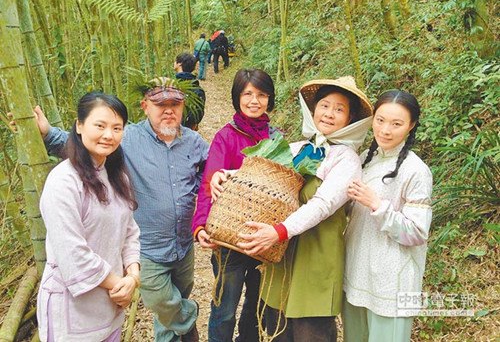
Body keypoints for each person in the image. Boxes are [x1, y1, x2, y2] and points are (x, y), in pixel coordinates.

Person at [36, 78, 209, 342]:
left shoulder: (194, 142)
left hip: (182, 244)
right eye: (160, 104)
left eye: (175, 104)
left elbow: (211, 171)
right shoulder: (127, 139)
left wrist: (204, 189)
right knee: (165, 303)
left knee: (174, 303)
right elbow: (88, 144)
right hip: (149, 249)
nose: (169, 110)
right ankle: (189, 319)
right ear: (145, 106)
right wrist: (47, 133)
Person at [236, 77, 374, 341]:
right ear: (314, 110)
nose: (329, 114)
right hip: (283, 252)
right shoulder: (298, 148)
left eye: (339, 109)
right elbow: (264, 177)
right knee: (278, 329)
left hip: (316, 256)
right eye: (324, 105)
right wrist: (226, 176)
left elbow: (323, 204)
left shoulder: (346, 160)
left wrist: (279, 231)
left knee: (312, 331)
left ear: (350, 118)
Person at [37, 92, 141, 342]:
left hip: (110, 303)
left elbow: (130, 231)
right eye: (100, 125)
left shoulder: (117, 176)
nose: (109, 134)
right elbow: (72, 253)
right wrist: (120, 283)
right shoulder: (63, 181)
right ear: (79, 126)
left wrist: (133, 277)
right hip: (73, 309)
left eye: (117, 128)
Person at [191, 69, 277, 342]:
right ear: (237, 97)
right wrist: (201, 224)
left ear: (269, 99)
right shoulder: (226, 137)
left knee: (256, 304)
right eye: (248, 94)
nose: (255, 100)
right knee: (225, 308)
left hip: (264, 237)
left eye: (262, 95)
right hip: (229, 240)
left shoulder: (276, 137)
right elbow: (209, 182)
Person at [343, 90, 433, 342]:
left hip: (392, 282)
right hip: (357, 272)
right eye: (380, 120)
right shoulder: (364, 160)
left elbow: (416, 233)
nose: (385, 130)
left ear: (411, 125)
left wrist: (377, 204)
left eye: (396, 124)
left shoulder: (416, 171)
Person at [174, 53, 206, 130]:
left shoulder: (173, 85)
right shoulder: (196, 87)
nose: (174, 63)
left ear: (179, 64)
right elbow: (198, 113)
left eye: (175, 61)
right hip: (189, 131)